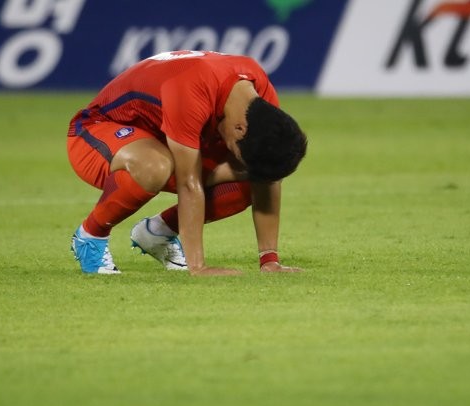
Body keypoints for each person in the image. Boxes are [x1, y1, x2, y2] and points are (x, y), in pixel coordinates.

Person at [66, 50, 307, 276]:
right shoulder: (192, 92)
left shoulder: (260, 95)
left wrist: (269, 260)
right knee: (155, 166)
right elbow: (188, 183)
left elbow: (269, 177)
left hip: (160, 136)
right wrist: (198, 267)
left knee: (250, 179)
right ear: (239, 129)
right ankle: (91, 236)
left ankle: (157, 233)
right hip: (96, 132)